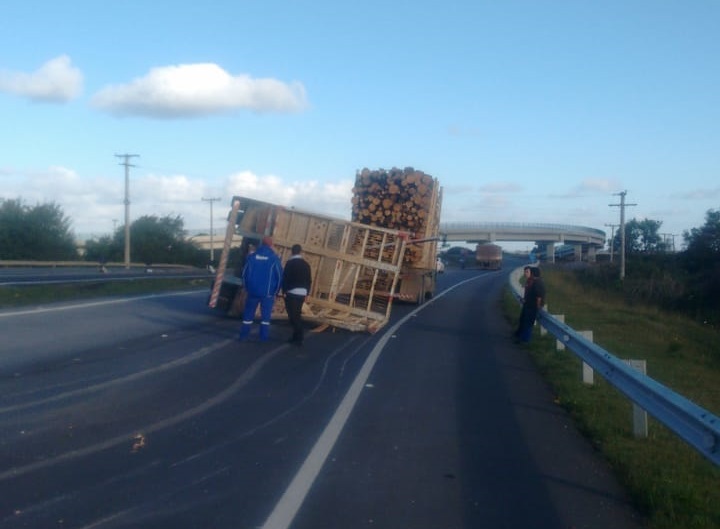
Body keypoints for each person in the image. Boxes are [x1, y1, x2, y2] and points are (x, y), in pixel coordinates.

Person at [239, 236, 282, 341]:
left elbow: (244, 274)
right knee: (265, 317)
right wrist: (275, 292)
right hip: (267, 293)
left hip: (252, 291)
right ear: (271, 245)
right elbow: (279, 277)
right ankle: (263, 337)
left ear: (261, 244)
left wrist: (246, 287)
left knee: (248, 315)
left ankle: (243, 335)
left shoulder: (252, 257)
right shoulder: (274, 259)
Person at [282, 244, 312, 346]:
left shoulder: (289, 264)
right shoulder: (306, 265)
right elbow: (309, 280)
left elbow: (285, 278)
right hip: (302, 292)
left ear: (292, 251)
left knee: (293, 316)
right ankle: (296, 337)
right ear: (300, 252)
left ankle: (299, 337)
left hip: (292, 292)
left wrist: (284, 291)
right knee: (297, 314)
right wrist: (307, 293)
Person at [515, 265, 546, 342]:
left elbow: (538, 297)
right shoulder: (534, 282)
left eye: (530, 272)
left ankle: (525, 340)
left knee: (528, 324)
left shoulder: (537, 283)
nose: (530, 274)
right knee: (524, 322)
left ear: (533, 274)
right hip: (529, 305)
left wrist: (538, 308)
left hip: (532, 307)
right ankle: (521, 337)